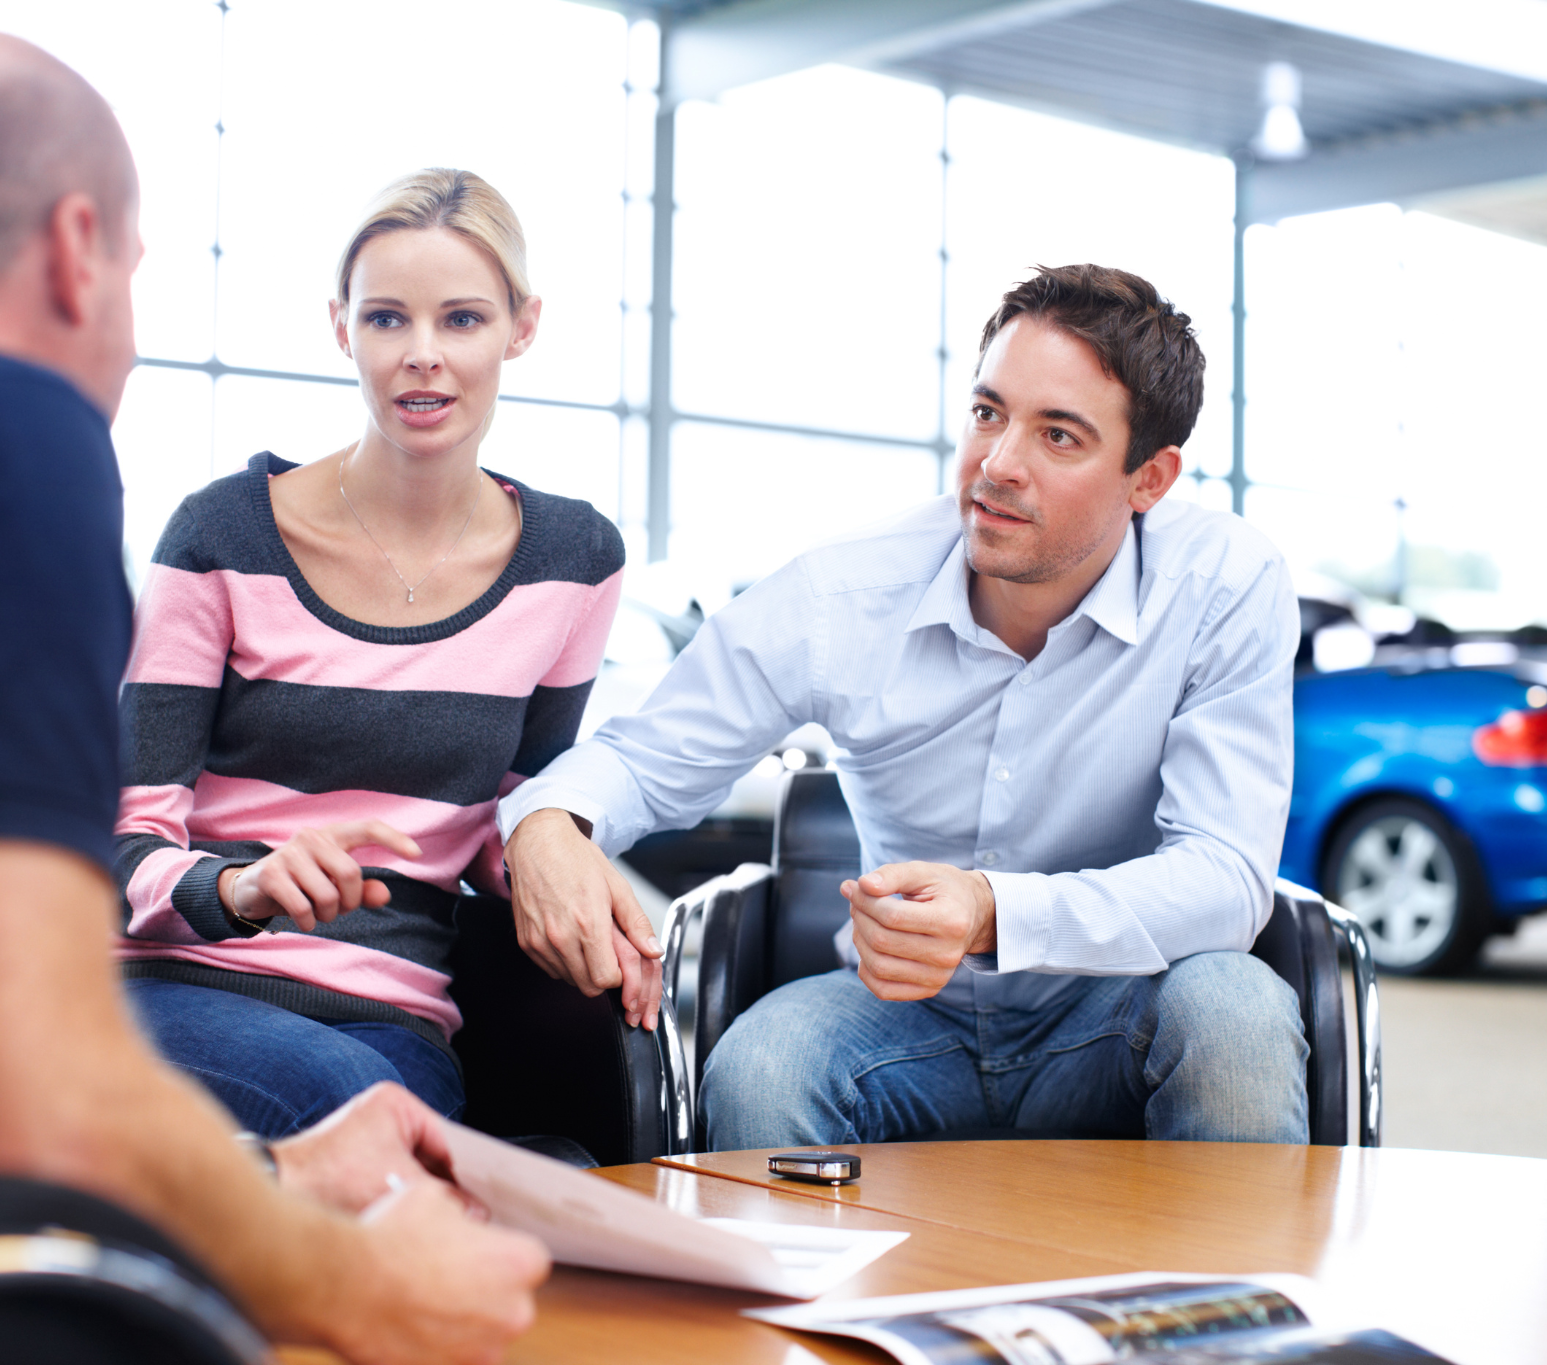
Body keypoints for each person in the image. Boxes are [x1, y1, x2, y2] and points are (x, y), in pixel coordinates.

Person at [0, 24, 546, 1363]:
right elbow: (28, 1096)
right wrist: (353, 1281)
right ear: (79, 250)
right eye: (133, 271)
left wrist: (264, 1173)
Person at [500, 264, 1308, 1148]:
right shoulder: (842, 594)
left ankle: (1234, 1294)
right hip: (899, 1023)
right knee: (764, 1062)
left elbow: (1226, 877)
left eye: (1060, 437)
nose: (997, 466)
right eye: (988, 413)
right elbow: (644, 756)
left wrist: (992, 911)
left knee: (1235, 1010)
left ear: (1148, 479)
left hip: (1119, 1009)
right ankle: (809, 1294)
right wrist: (547, 822)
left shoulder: (1225, 584)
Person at [112, 167, 633, 1138]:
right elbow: (119, 840)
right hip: (172, 993)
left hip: (386, 1023)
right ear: (341, 328)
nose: (421, 356)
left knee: (381, 1121)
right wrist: (240, 886)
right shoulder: (222, 535)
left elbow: (507, 818)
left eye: (463, 321)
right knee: (377, 1135)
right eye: (386, 319)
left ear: (522, 328)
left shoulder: (574, 562)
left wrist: (570, 866)